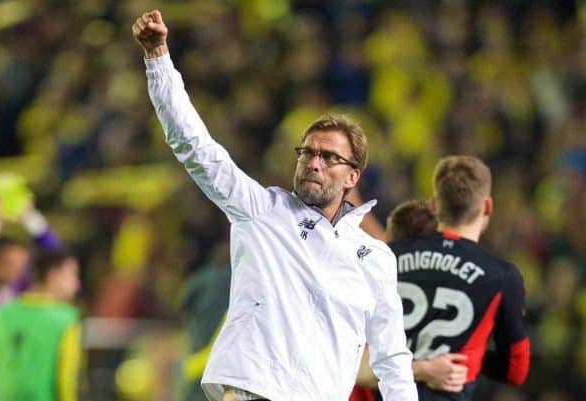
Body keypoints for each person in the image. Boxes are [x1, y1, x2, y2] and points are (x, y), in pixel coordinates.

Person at [133, 10, 417, 401]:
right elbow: (195, 147)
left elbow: (391, 358)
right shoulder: (262, 210)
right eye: (307, 153)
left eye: (329, 157)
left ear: (353, 176)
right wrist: (158, 60)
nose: (314, 162)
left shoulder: (375, 257)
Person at [389, 156, 530, 401]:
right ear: (487, 206)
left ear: (433, 206)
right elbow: (516, 371)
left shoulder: (390, 255)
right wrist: (472, 356)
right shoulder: (502, 276)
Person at [351, 200, 467, 401]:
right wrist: (424, 370)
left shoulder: (369, 281)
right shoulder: (454, 293)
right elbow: (355, 369)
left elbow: (356, 368)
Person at [0, 249, 81, 401]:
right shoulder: (66, 319)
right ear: (53, 275)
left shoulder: (3, 313)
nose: (77, 284)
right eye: (72, 275)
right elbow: (67, 381)